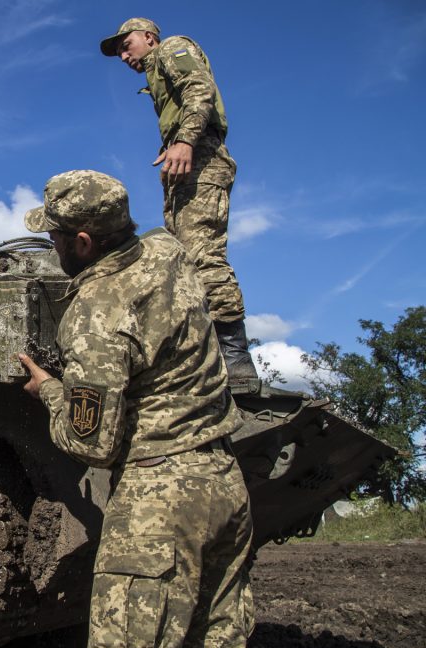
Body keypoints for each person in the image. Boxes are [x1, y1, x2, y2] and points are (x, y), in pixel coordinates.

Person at [17, 170, 254, 648]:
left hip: (157, 507)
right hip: (225, 481)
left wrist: (50, 391)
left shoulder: (97, 312)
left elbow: (92, 444)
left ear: (82, 243)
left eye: (55, 236)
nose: (51, 245)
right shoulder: (168, 252)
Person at [100, 18, 258, 383]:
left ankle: (236, 363)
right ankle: (209, 358)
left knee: (202, 255)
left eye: (127, 45)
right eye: (120, 51)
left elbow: (199, 88)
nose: (124, 56)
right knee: (185, 261)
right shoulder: (155, 74)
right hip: (186, 165)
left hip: (201, 158)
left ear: (149, 38)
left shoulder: (171, 48)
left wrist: (185, 141)